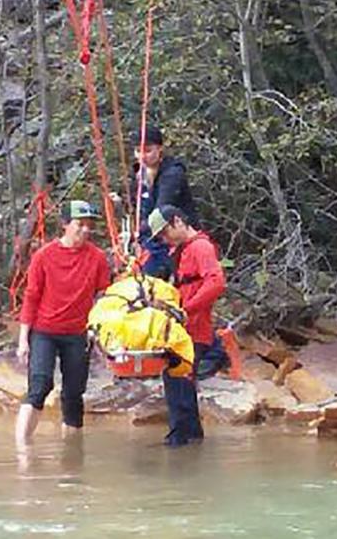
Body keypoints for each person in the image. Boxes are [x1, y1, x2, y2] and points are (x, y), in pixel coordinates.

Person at [14, 199, 111, 449]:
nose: (85, 230)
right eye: (80, 224)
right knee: (40, 385)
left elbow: (104, 296)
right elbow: (31, 297)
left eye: (89, 225)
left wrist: (100, 332)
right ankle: (22, 449)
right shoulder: (44, 256)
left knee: (73, 394)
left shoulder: (97, 257)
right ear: (66, 225)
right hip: (44, 330)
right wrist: (23, 340)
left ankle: (72, 455)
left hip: (78, 333)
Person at [147, 204, 227, 445]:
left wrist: (186, 309)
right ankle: (190, 443)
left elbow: (216, 282)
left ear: (178, 222)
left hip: (193, 331)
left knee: (178, 386)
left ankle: (179, 444)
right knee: (180, 386)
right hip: (183, 331)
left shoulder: (200, 247)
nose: (164, 239)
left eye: (164, 233)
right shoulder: (182, 251)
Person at [133, 124, 198, 281]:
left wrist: (139, 231)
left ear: (160, 149)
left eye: (148, 151)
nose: (142, 156)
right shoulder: (140, 173)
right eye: (138, 151)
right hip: (153, 237)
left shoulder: (173, 173)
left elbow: (160, 212)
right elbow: (139, 207)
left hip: (174, 236)